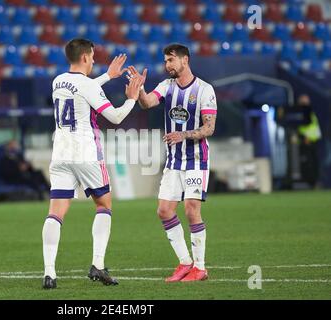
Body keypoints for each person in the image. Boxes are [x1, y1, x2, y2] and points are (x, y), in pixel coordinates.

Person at [42, 38, 144, 289]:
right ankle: (98, 264)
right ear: (86, 57)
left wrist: (107, 76)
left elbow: (81, 89)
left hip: (60, 155)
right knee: (104, 205)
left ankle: (49, 273)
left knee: (55, 212)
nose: (94, 60)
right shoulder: (87, 85)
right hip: (87, 154)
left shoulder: (57, 82)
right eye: (93, 56)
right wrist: (131, 98)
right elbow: (116, 116)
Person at [127, 43, 217, 282]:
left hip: (196, 160)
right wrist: (139, 89)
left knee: (190, 209)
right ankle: (185, 263)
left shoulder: (204, 89)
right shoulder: (166, 87)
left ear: (185, 60)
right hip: (174, 162)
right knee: (164, 210)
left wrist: (183, 135)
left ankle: (200, 267)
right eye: (165, 61)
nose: (167, 66)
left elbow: (209, 127)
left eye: (171, 60)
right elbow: (147, 103)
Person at [295, 94, 321, 188]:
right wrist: (305, 137)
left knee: (312, 162)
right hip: (308, 140)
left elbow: (308, 126)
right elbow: (304, 126)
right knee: (309, 163)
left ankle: (314, 182)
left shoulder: (307, 111)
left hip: (312, 140)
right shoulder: (304, 111)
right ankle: (311, 182)